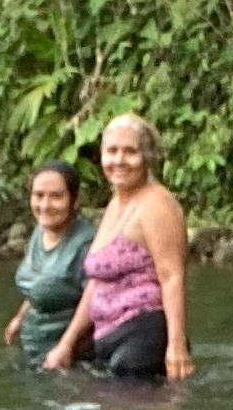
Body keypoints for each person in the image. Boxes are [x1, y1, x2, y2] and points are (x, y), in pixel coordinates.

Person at [49, 112, 193, 380]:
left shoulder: (157, 204)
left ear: (146, 157)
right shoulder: (116, 204)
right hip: (108, 336)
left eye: (130, 152)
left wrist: (176, 346)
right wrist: (67, 343)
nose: (119, 160)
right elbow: (97, 282)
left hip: (144, 333)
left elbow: (172, 276)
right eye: (112, 151)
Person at [5, 156, 94, 362]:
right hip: (33, 347)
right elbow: (40, 283)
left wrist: (66, 346)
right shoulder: (40, 231)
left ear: (75, 200)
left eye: (56, 196)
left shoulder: (85, 244)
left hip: (69, 358)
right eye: (39, 195)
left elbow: (94, 300)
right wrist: (20, 318)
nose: (45, 205)